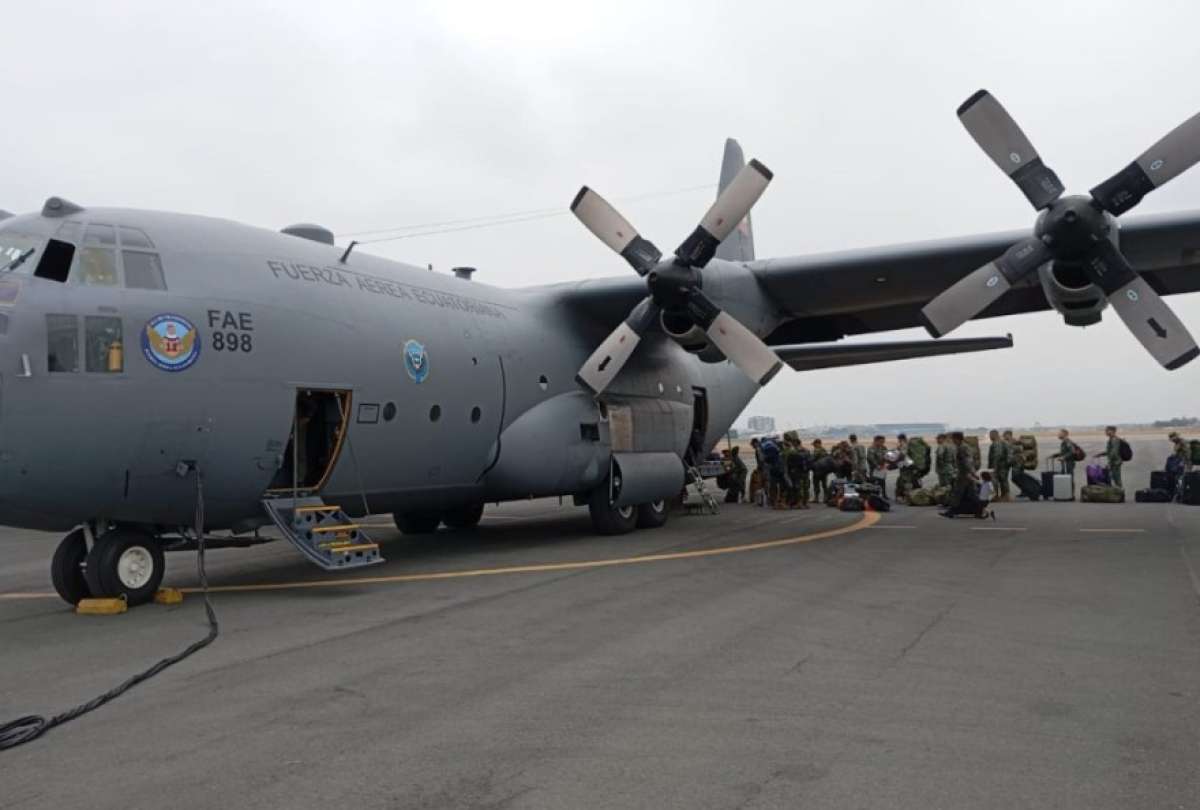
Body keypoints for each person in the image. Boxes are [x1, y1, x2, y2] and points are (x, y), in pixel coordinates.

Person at [940, 431, 979, 518]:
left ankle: (951, 511)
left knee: (957, 493)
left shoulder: (963, 448)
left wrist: (973, 473)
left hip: (964, 475)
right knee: (972, 494)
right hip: (965, 475)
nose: (953, 441)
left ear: (957, 439)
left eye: (953, 439)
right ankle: (979, 510)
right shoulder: (962, 447)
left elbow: (968, 462)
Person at [987, 429, 1012, 502]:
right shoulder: (1003, 442)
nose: (990, 437)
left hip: (999, 465)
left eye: (990, 435)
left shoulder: (996, 443)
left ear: (994, 435)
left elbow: (997, 456)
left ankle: (997, 496)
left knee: (995, 480)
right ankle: (1005, 496)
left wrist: (993, 468)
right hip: (1004, 465)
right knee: (1003, 480)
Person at [810, 438, 829, 503]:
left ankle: (816, 498)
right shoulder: (824, 450)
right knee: (824, 484)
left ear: (817, 444)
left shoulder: (817, 450)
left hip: (817, 470)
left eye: (814, 444)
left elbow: (813, 459)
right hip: (824, 470)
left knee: (816, 484)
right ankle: (825, 498)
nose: (814, 446)